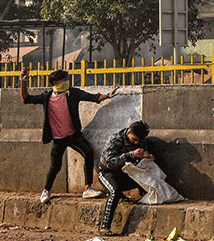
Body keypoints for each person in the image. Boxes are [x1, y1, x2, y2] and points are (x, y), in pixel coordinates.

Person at [20, 66, 120, 203]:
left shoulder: (72, 93)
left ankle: (87, 188)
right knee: (55, 167)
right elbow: (26, 99)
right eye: (64, 80)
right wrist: (23, 81)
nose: (67, 82)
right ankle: (46, 191)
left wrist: (107, 95)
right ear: (56, 83)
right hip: (58, 138)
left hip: (73, 135)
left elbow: (92, 97)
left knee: (88, 152)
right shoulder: (47, 97)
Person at [97, 120, 152, 236]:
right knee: (115, 191)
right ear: (128, 133)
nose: (137, 143)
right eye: (134, 140)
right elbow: (109, 162)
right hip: (107, 173)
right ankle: (105, 227)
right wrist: (130, 155)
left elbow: (141, 157)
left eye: (139, 141)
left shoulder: (141, 141)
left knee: (147, 180)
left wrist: (146, 158)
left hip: (125, 173)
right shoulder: (115, 140)